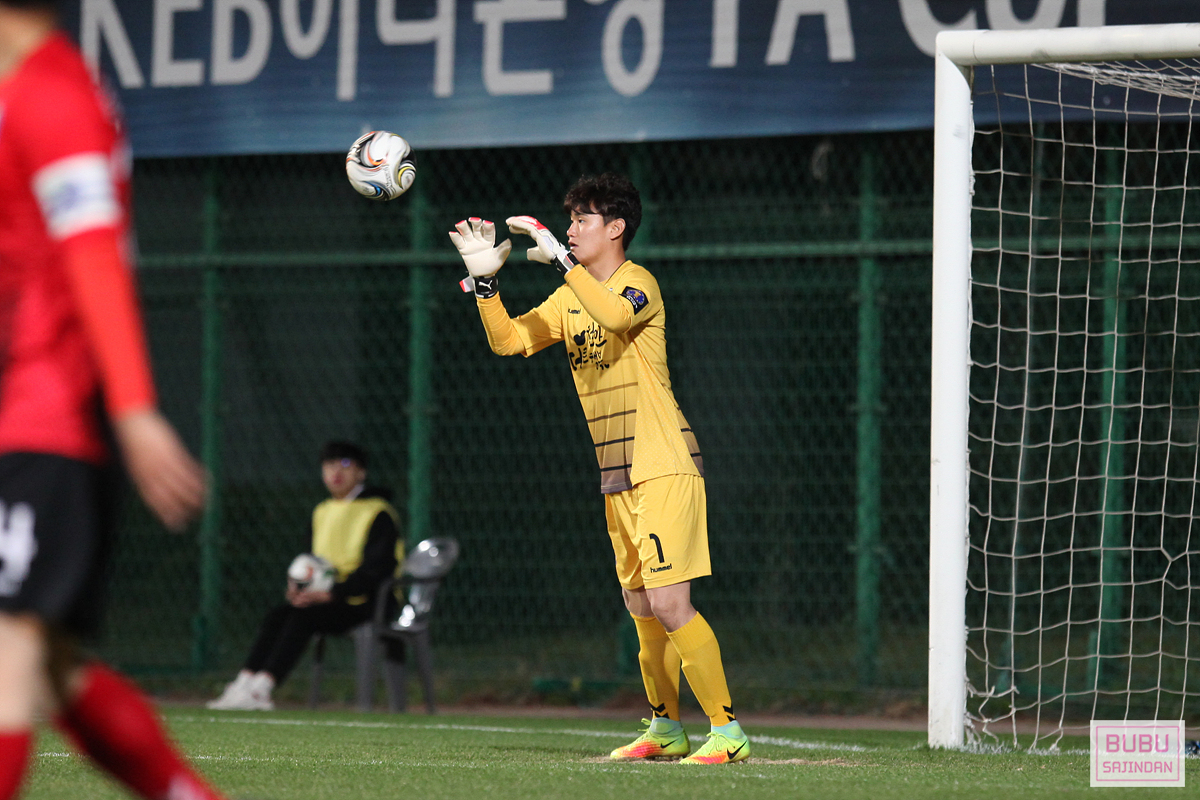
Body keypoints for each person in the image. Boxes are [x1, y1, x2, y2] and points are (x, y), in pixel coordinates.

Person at [0, 2, 225, 798]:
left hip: (48, 415)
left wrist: (133, 408)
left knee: (10, 651)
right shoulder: (25, 87)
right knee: (54, 671)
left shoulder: (54, 98)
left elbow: (93, 254)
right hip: (21, 408)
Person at [449, 173, 750, 765]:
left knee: (670, 604)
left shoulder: (639, 284)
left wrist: (563, 262)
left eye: (581, 220)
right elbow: (509, 341)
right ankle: (665, 728)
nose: (570, 229)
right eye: (569, 221)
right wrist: (485, 283)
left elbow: (613, 317)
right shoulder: (570, 297)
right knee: (641, 608)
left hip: (663, 463)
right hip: (617, 473)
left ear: (615, 228)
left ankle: (728, 731)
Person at [207, 440, 404, 711]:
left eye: (345, 464)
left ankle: (263, 688)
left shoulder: (378, 513)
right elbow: (309, 561)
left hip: (368, 602)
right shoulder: (322, 511)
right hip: (329, 600)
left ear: (361, 473)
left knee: (302, 617)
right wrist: (299, 587)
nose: (336, 472)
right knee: (278, 615)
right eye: (329, 465)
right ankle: (244, 683)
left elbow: (378, 570)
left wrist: (332, 593)